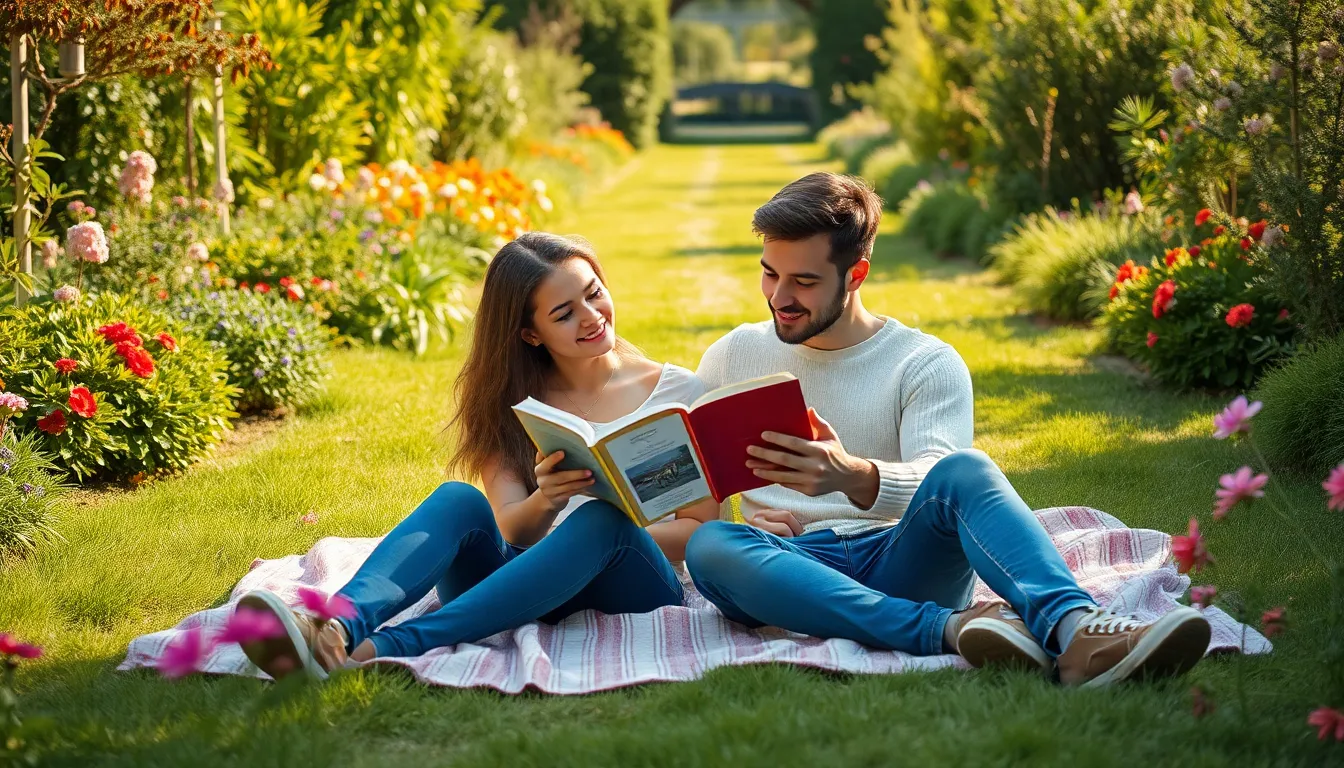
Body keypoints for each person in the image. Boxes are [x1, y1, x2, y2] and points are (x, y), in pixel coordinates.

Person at [684, 172, 1211, 687]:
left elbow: (941, 480)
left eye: (804, 281)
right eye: (769, 274)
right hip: (794, 567)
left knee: (967, 468)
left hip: (902, 557)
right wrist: (752, 529)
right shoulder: (734, 355)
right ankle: (953, 630)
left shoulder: (924, 363)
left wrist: (852, 475)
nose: (779, 296)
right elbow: (696, 499)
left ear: (856, 274)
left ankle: (1076, 631)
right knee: (711, 545)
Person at [238, 232, 717, 680]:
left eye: (594, 294)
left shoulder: (677, 393)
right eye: (564, 314)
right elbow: (514, 530)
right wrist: (547, 500)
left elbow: (699, 531)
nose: (592, 316)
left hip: (631, 581)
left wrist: (584, 536)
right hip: (517, 578)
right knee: (457, 499)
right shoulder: (512, 401)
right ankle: (334, 629)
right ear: (530, 334)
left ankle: (381, 648)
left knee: (600, 522)